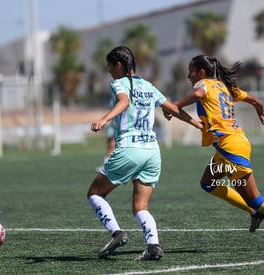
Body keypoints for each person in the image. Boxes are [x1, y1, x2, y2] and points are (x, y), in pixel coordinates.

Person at [164, 55, 264, 248]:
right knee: (208, 183)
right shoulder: (224, 87)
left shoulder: (203, 84)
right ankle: (254, 212)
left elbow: (197, 95)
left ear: (201, 72)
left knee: (256, 198)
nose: (188, 75)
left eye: (191, 71)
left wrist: (173, 106)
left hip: (231, 148)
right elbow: (255, 100)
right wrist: (261, 111)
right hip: (230, 146)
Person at [87, 46, 202, 260]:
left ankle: (116, 233)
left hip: (130, 149)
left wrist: (104, 120)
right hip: (152, 152)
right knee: (141, 206)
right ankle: (153, 246)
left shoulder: (119, 83)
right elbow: (173, 109)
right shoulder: (149, 86)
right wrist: (196, 123)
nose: (109, 72)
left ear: (119, 65)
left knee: (95, 193)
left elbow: (124, 101)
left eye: (110, 67)